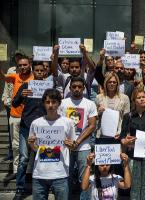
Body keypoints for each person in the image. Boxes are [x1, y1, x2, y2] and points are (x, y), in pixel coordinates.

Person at [27, 88, 76, 200]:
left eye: (54, 102)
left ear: (59, 103)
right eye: (47, 102)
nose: (50, 105)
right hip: (40, 173)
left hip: (60, 174)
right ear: (43, 103)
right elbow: (35, 149)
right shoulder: (36, 123)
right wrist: (31, 144)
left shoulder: (68, 122)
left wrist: (70, 145)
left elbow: (73, 145)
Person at [12, 61, 48, 199]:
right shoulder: (26, 85)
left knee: (44, 157)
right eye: (37, 71)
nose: (39, 73)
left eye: (41, 71)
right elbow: (14, 103)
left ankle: (43, 187)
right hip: (26, 127)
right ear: (34, 72)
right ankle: (20, 189)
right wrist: (22, 95)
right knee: (23, 159)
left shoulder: (48, 87)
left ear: (45, 72)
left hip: (44, 129)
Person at [58, 76, 97, 199]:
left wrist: (77, 141)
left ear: (84, 88)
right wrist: (68, 142)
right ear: (69, 88)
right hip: (66, 146)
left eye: (80, 87)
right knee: (66, 177)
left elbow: (92, 126)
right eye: (74, 87)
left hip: (84, 147)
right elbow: (58, 124)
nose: (77, 89)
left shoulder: (90, 103)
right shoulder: (63, 103)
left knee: (84, 179)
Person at [0, 55, 34, 179]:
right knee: (15, 146)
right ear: (17, 67)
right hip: (15, 116)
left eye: (25, 65)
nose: (23, 67)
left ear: (30, 64)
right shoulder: (14, 76)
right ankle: (16, 170)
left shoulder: (35, 78)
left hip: (30, 117)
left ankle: (28, 171)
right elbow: (3, 77)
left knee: (31, 145)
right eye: (20, 65)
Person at [95, 72, 130, 139]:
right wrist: (98, 112)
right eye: (110, 82)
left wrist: (122, 134)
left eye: (114, 82)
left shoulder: (124, 98)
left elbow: (126, 119)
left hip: (118, 135)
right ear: (106, 83)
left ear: (117, 84)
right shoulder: (99, 97)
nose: (112, 84)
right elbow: (94, 119)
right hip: (102, 135)